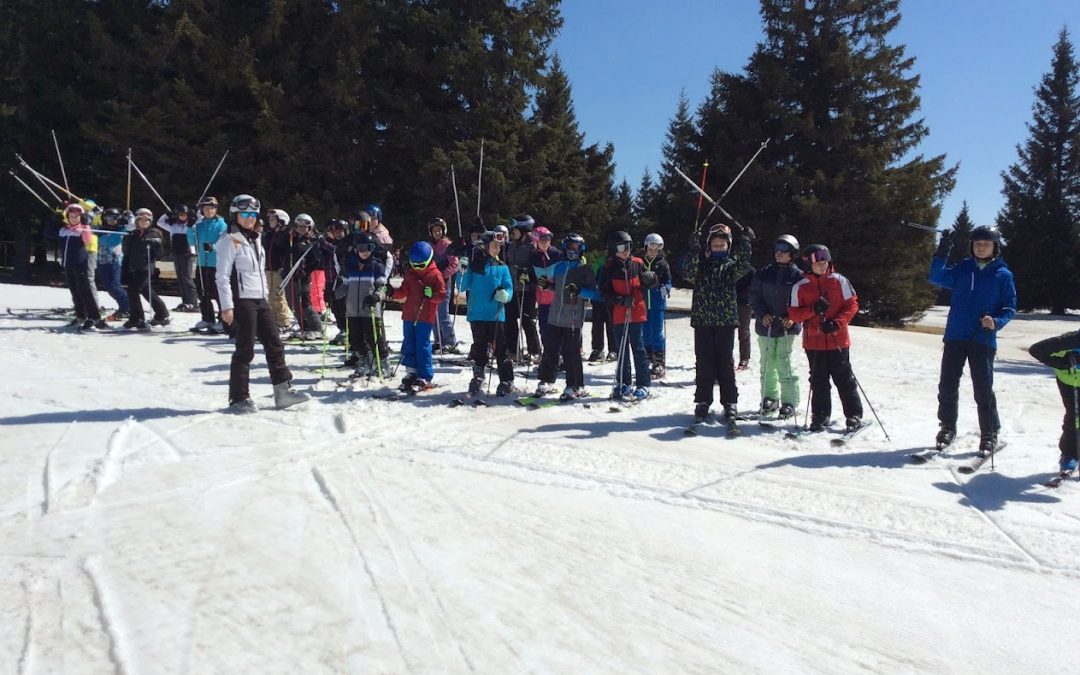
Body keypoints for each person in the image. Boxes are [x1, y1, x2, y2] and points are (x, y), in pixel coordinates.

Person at [216, 194, 309, 413]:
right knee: (245, 349)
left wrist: (266, 296)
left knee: (275, 344)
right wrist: (227, 306)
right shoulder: (229, 240)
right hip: (242, 300)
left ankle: (283, 390)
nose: (249, 219)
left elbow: (260, 271)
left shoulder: (256, 238)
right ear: (235, 215)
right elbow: (222, 276)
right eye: (244, 214)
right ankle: (238, 397)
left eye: (252, 214)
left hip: (260, 299)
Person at [928, 226, 1016, 454]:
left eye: (986, 243)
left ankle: (989, 432)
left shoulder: (1002, 275)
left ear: (995, 246)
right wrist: (944, 247)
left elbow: (1009, 306)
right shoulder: (963, 269)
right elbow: (936, 276)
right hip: (956, 335)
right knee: (947, 385)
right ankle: (947, 427)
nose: (981, 246)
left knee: (983, 389)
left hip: (982, 338)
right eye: (977, 243)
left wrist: (996, 321)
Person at [788, 244, 863, 433]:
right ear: (808, 265)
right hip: (813, 342)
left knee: (844, 378)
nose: (823, 265)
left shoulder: (839, 281)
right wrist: (813, 310)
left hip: (838, 339)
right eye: (818, 263)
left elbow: (852, 305)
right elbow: (794, 314)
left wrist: (837, 322)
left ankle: (854, 415)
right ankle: (820, 415)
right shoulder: (800, 286)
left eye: (825, 261)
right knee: (818, 380)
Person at [683, 222, 753, 420]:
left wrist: (746, 241)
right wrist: (693, 249)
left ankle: (730, 402)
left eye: (723, 245)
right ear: (708, 246)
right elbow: (688, 273)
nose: (719, 247)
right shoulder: (701, 266)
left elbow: (744, 263)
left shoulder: (731, 267)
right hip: (703, 321)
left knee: (725, 363)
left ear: (728, 246)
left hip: (725, 322)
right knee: (704, 362)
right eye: (715, 244)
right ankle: (703, 401)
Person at [533, 233, 599, 400]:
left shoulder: (584, 270)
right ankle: (547, 380)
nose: (573, 251)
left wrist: (579, 291)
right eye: (570, 247)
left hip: (573, 318)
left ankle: (575, 384)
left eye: (576, 248)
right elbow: (558, 288)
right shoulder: (559, 267)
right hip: (555, 315)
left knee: (571, 353)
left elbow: (593, 292)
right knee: (550, 350)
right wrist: (548, 285)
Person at [749, 234, 804, 419]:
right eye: (777, 249)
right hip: (767, 326)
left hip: (787, 327)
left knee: (784, 362)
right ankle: (770, 397)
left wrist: (793, 317)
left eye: (784, 250)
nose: (779, 253)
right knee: (767, 363)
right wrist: (762, 313)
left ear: (793, 253)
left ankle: (790, 401)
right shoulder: (764, 273)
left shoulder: (798, 276)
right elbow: (755, 296)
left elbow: (803, 301)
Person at [601, 231, 658, 400]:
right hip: (618, 313)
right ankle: (624, 382)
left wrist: (651, 278)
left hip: (636, 311)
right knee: (622, 349)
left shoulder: (638, 263)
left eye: (628, 246)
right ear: (613, 248)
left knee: (638, 348)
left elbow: (650, 284)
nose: (626, 250)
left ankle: (643, 384)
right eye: (621, 247)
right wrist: (619, 299)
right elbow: (604, 292)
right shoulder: (609, 267)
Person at [459, 231, 515, 397]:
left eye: (499, 246)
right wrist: (461, 271)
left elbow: (509, 288)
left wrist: (506, 295)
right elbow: (462, 286)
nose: (497, 249)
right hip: (476, 314)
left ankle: (507, 379)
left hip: (496, 315)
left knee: (501, 349)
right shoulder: (473, 266)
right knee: (480, 348)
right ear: (485, 246)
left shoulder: (502, 267)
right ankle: (478, 375)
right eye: (494, 246)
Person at [392, 241, 447, 392]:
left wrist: (432, 295)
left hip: (425, 316)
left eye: (421, 265)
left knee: (422, 345)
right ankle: (411, 372)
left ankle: (425, 375)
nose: (418, 269)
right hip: (409, 314)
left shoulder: (435, 275)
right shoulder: (411, 274)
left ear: (429, 260)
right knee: (409, 342)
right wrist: (392, 293)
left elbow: (442, 295)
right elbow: (404, 290)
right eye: (414, 265)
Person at [1029, 331, 1080, 475]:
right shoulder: (1072, 339)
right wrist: (1062, 362)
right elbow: (1036, 349)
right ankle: (1069, 454)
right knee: (1074, 416)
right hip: (1070, 381)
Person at [341, 230, 390, 377]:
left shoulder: (376, 267)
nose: (364, 252)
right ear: (356, 249)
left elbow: (383, 287)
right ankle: (364, 362)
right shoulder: (351, 267)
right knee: (355, 338)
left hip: (370, 310)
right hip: (352, 310)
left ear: (372, 249)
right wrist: (333, 294)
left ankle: (383, 364)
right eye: (361, 248)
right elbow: (345, 286)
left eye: (368, 248)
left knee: (374, 338)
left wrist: (376, 296)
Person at [58, 202, 106, 330]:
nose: (74, 218)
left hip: (80, 264)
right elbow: (48, 232)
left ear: (81, 217)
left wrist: (85, 225)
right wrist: (56, 215)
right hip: (68, 264)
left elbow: (88, 240)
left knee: (85, 290)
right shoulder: (64, 230)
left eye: (77, 216)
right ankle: (81, 315)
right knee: (74, 291)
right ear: (67, 217)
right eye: (71, 216)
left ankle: (94, 316)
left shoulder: (82, 229)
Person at [122, 208, 171, 330]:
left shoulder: (154, 233)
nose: (144, 222)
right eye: (141, 220)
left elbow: (160, 254)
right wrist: (126, 241)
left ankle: (137, 318)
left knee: (133, 291)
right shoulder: (133, 234)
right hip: (134, 267)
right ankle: (162, 313)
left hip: (146, 267)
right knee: (146, 290)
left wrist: (156, 244)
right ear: (137, 221)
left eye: (147, 220)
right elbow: (126, 252)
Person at [504, 214, 541, 362]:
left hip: (527, 289)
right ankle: (513, 350)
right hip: (512, 288)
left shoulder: (533, 246)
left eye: (515, 230)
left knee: (527, 321)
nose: (513, 233)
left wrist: (523, 273)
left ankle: (534, 350)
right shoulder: (513, 245)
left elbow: (537, 269)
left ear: (524, 230)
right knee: (510, 321)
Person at [282, 213, 323, 340]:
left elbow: (316, 260)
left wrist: (305, 271)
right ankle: (303, 327)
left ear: (310, 228)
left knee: (305, 304)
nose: (302, 228)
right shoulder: (290, 239)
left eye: (305, 227)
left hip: (303, 278)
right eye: (299, 226)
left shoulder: (311, 242)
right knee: (292, 303)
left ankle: (316, 328)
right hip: (290, 276)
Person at [193, 196, 228, 332]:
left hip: (216, 264)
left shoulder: (221, 224)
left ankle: (222, 320)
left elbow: (225, 243)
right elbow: (192, 241)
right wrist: (191, 227)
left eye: (212, 208)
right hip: (202, 263)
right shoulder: (200, 225)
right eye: (206, 208)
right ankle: (207, 318)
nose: (209, 211)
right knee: (203, 293)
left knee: (218, 293)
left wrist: (213, 247)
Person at [530, 225, 565, 357]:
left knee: (558, 329)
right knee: (544, 330)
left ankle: (560, 357)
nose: (545, 243)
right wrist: (524, 276)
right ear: (536, 241)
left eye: (547, 240)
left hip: (557, 300)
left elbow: (564, 276)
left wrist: (552, 286)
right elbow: (532, 277)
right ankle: (548, 356)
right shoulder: (533, 257)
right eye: (542, 240)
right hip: (543, 301)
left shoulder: (557, 255)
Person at [157, 204, 199, 311]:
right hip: (176, 253)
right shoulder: (173, 226)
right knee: (180, 278)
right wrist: (166, 214)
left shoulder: (191, 225)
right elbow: (160, 222)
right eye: (180, 214)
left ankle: (193, 302)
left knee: (187, 278)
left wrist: (197, 212)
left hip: (187, 254)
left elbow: (201, 221)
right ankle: (185, 302)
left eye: (185, 214)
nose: (182, 216)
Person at [641, 233, 673, 378]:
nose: (653, 251)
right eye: (651, 248)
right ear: (646, 247)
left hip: (657, 303)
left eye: (656, 249)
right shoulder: (640, 263)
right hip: (642, 303)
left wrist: (662, 289)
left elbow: (668, 282)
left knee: (657, 333)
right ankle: (648, 359)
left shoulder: (663, 264)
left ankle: (659, 362)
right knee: (645, 333)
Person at [428, 217, 460, 353]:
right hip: (432, 282)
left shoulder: (447, 245)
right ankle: (438, 339)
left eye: (439, 230)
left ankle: (449, 341)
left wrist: (442, 274)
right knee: (433, 312)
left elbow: (454, 264)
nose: (437, 233)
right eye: (435, 231)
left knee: (442, 313)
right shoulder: (429, 246)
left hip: (444, 282)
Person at [262, 209, 296, 332]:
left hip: (279, 269)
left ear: (281, 221)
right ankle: (273, 320)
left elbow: (287, 252)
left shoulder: (286, 234)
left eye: (273, 219)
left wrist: (285, 267)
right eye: (269, 219)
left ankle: (283, 321)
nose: (270, 222)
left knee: (278, 296)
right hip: (269, 268)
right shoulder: (270, 234)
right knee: (270, 296)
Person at [97, 208, 130, 322]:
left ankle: (127, 307)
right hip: (102, 262)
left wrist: (129, 217)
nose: (111, 221)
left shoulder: (121, 229)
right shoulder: (100, 230)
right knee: (109, 288)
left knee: (115, 286)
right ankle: (124, 306)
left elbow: (132, 226)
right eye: (108, 218)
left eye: (115, 218)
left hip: (115, 262)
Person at [588, 244, 616, 362]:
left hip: (611, 298)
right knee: (597, 325)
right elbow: (592, 276)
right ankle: (597, 349)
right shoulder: (600, 261)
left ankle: (614, 349)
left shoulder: (618, 263)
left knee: (612, 325)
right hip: (598, 297)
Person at [735, 268, 755, 370]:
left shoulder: (750, 271)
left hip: (744, 303)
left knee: (743, 331)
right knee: (724, 332)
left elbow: (754, 288)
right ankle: (725, 359)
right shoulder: (729, 267)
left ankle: (744, 358)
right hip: (729, 303)